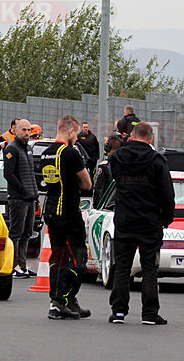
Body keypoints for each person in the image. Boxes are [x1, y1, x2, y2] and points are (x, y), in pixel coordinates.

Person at [109, 122, 174, 325]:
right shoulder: (157, 160)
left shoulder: (117, 158)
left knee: (121, 266)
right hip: (149, 221)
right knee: (149, 268)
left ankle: (118, 311)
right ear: (151, 138)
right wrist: (166, 218)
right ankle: (149, 313)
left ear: (131, 136)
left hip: (125, 220)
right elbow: (167, 193)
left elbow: (115, 182)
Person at [41, 115, 93, 320]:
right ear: (71, 131)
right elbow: (87, 184)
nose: (77, 138)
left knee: (58, 257)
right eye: (77, 134)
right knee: (78, 258)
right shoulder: (70, 153)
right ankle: (62, 300)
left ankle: (63, 301)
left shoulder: (46, 154)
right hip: (69, 214)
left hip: (52, 211)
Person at [3, 119, 37, 279]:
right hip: (18, 198)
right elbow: (8, 174)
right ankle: (13, 265)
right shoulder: (12, 149)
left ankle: (22, 265)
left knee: (27, 232)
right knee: (16, 232)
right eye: (24, 130)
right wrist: (23, 190)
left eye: (29, 130)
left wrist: (34, 193)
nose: (27, 133)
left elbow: (30, 173)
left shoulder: (28, 149)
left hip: (30, 197)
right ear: (16, 131)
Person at [93, 134, 122, 208]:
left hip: (108, 206)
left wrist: (96, 207)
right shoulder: (126, 165)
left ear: (108, 148)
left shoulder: (103, 166)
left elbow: (98, 190)